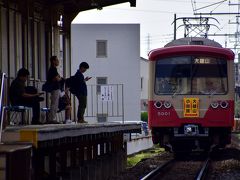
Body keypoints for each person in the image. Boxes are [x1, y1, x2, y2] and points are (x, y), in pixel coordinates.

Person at [47, 56, 72, 124]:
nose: (58, 61)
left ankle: (52, 118)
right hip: (54, 88)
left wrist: (59, 78)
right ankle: (52, 119)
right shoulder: (53, 69)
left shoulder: (54, 69)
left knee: (55, 103)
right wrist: (59, 78)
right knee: (54, 104)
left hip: (56, 88)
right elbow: (56, 78)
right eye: (57, 60)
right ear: (53, 61)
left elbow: (58, 78)